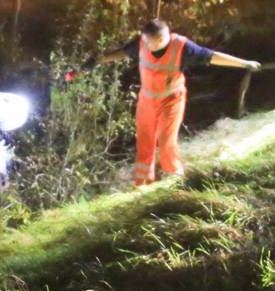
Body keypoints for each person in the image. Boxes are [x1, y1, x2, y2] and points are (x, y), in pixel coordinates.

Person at [80, 19, 260, 185]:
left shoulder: (183, 47)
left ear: (160, 40)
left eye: (151, 42)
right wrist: (98, 60)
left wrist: (244, 63)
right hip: (147, 101)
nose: (146, 45)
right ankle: (143, 185)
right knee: (144, 142)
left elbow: (212, 57)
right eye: (145, 41)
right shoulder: (142, 43)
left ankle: (174, 179)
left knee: (166, 142)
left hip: (171, 100)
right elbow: (123, 52)